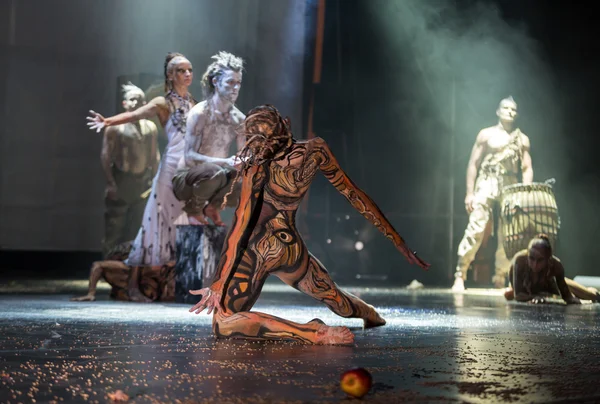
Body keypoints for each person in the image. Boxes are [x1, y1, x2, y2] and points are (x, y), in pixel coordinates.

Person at [188, 105, 430, 345]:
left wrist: (219, 282)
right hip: (288, 247)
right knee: (338, 301)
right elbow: (355, 196)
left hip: (256, 249)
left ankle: (311, 332)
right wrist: (398, 241)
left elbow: (240, 226)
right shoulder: (314, 150)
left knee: (224, 324)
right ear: (286, 123)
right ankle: (367, 313)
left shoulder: (256, 166)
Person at [87, 52, 195, 302]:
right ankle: (134, 284)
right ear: (170, 74)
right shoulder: (162, 102)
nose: (187, 74)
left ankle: (174, 283)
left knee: (183, 224)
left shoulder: (192, 102)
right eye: (181, 70)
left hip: (187, 168)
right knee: (153, 226)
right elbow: (135, 115)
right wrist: (107, 120)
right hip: (170, 169)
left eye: (190, 70)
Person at [452, 96, 533, 291]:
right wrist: (469, 193)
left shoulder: (521, 139)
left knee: (509, 233)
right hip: (487, 181)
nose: (510, 112)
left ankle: (500, 277)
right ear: (498, 111)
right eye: (506, 108)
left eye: (513, 109)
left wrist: (524, 192)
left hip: (510, 184)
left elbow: (527, 167)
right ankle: (460, 274)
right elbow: (473, 163)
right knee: (476, 227)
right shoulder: (486, 135)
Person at [172, 51, 246, 226]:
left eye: (238, 83)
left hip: (217, 176)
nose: (235, 88)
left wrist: (246, 163)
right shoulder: (200, 113)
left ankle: (214, 207)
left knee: (246, 180)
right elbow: (190, 157)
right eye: (230, 82)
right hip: (188, 177)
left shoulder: (240, 120)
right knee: (215, 173)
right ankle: (194, 210)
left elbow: (242, 158)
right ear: (216, 82)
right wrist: (224, 161)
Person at [101, 82, 159, 257]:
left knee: (137, 226)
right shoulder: (115, 127)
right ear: (125, 103)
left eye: (141, 100)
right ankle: (109, 266)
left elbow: (154, 155)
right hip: (122, 179)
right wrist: (111, 183)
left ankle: (130, 268)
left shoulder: (150, 127)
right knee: (115, 226)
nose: (137, 103)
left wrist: (155, 180)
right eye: (133, 100)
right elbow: (105, 155)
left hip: (142, 182)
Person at [504, 235, 600, 304]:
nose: (535, 265)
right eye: (531, 258)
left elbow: (567, 297)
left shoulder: (556, 265)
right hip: (525, 286)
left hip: (547, 285)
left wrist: (577, 299)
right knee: (508, 294)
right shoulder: (519, 260)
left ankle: (593, 292)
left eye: (540, 260)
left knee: (592, 295)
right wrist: (534, 297)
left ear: (548, 259)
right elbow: (519, 295)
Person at [70, 242, 175, 302]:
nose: (154, 295)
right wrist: (91, 293)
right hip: (125, 255)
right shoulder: (127, 269)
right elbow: (98, 265)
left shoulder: (157, 275)